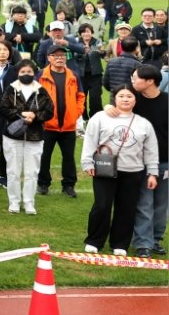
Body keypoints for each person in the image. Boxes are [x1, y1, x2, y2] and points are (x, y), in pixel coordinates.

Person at [81, 85, 159, 256]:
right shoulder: (100, 117)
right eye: (121, 96)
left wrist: (152, 172)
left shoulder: (143, 123)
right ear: (114, 98)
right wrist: (87, 163)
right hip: (105, 169)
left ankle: (119, 243)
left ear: (135, 100)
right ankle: (94, 240)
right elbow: (90, 140)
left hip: (133, 171)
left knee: (126, 208)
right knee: (102, 206)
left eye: (129, 96)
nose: (125, 99)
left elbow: (151, 150)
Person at [0, 62, 54, 214]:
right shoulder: (11, 88)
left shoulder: (41, 90)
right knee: (13, 171)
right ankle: (14, 202)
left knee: (32, 172)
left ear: (34, 73)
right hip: (12, 136)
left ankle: (29, 202)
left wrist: (35, 116)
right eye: (23, 71)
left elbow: (49, 111)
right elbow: (3, 108)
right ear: (17, 73)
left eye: (29, 71)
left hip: (35, 137)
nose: (26, 73)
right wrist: (21, 114)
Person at [38, 46, 86, 199]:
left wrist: (76, 113)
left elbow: (81, 96)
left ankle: (68, 185)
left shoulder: (74, 75)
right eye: (56, 55)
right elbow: (34, 96)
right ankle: (43, 183)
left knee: (69, 157)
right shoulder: (41, 75)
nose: (60, 58)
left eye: (63, 55)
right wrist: (40, 115)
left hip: (68, 126)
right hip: (47, 125)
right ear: (49, 58)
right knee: (44, 156)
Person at [130, 65, 168, 257]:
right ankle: (143, 243)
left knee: (162, 204)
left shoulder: (167, 102)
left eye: (136, 78)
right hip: (139, 162)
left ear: (150, 81)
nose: (132, 81)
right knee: (144, 202)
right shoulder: (133, 100)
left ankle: (156, 240)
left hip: (165, 162)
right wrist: (110, 107)